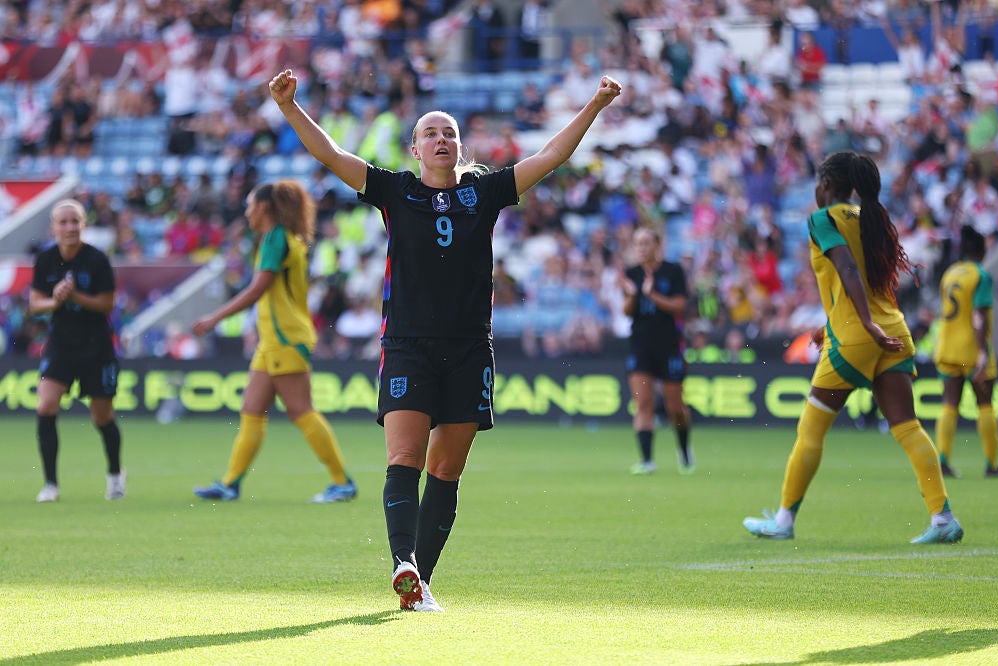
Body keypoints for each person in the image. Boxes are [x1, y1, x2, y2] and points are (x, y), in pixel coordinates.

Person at [268, 67, 621, 612]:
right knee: (405, 454)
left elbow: (551, 156)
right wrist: (291, 108)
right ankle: (402, 562)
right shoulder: (394, 190)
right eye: (430, 133)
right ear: (414, 149)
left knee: (447, 470)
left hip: (469, 350)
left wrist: (594, 107)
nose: (441, 139)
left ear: (460, 148)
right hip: (408, 344)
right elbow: (332, 155)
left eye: (450, 133)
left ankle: (420, 584)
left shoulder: (485, 192)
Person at [742, 151, 964, 545]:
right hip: (892, 330)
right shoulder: (872, 217)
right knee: (908, 427)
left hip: (860, 334)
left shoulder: (822, 218)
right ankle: (943, 516)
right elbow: (866, 281)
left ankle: (783, 521)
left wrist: (862, 325)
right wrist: (832, 327)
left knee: (810, 429)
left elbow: (846, 270)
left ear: (826, 185)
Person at [191, 180, 357, 504]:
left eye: (250, 204)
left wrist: (214, 318)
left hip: (285, 338)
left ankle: (342, 482)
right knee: (252, 410)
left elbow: (258, 288)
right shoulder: (279, 237)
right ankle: (230, 484)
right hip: (273, 339)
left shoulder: (277, 237)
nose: (247, 211)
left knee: (301, 411)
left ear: (264, 207)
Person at [30, 199, 124, 502]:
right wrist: (56, 300)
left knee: (102, 417)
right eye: (64, 221)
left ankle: (114, 474)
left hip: (96, 347)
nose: (70, 227)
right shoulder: (45, 260)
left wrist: (76, 296)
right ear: (54, 227)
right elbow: (35, 304)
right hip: (61, 345)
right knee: (45, 407)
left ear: (84, 224)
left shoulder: (96, 260)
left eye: (76, 221)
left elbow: (107, 304)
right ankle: (50, 484)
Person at [933, 225, 998, 480]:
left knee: (949, 404)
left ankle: (942, 461)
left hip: (946, 346)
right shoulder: (980, 276)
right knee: (985, 404)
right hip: (971, 348)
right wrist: (981, 352)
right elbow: (979, 317)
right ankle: (992, 465)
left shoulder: (950, 273)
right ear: (981, 251)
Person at [618, 227, 693, 475]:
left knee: (675, 407)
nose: (641, 248)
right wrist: (631, 294)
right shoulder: (631, 274)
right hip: (640, 344)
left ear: (657, 245)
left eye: (645, 243)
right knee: (643, 403)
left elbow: (680, 307)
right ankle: (647, 460)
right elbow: (627, 311)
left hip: (669, 344)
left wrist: (653, 295)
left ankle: (683, 450)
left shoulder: (673, 271)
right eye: (637, 244)